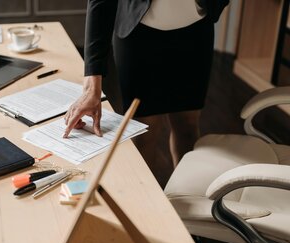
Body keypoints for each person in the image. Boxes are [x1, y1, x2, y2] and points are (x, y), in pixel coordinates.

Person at [64, 0, 229, 186]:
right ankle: (147, 210)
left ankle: (184, 203)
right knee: (144, 133)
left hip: (195, 32)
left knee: (188, 127)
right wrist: (91, 86)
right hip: (138, 34)